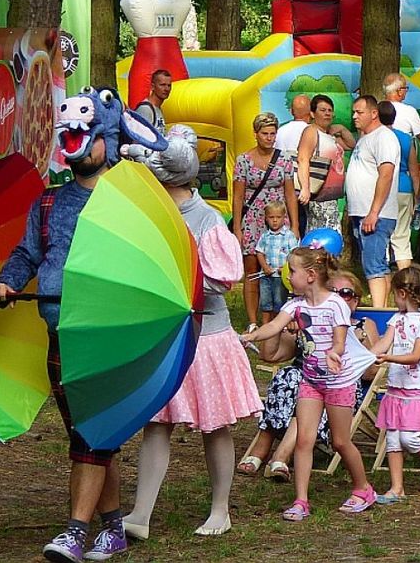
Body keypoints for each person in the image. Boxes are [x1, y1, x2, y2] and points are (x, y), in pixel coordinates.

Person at [0, 89, 167, 563]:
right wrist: (6, 282)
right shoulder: (47, 204)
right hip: (59, 333)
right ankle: (111, 527)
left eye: (87, 134)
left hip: (110, 338)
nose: (79, 143)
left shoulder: (129, 200)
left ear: (107, 136)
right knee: (89, 434)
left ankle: (74, 531)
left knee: (91, 433)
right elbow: (28, 253)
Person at [124, 129, 262, 541]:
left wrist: (176, 281)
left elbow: (223, 280)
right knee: (156, 422)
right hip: (165, 337)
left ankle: (221, 508)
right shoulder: (151, 215)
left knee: (215, 424)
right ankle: (140, 513)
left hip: (206, 338)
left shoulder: (206, 219)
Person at [241, 248, 377, 521]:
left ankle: (363, 488)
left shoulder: (336, 304)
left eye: (292, 271)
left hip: (339, 381)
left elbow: (339, 339)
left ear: (311, 275)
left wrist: (335, 353)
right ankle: (301, 500)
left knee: (340, 441)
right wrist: (247, 337)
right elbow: (274, 327)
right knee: (304, 439)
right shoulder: (295, 306)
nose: (288, 276)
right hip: (311, 381)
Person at [370, 265, 420, 503]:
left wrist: (388, 357)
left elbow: (415, 356)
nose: (394, 298)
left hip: (417, 388)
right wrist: (363, 358)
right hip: (396, 387)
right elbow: (383, 344)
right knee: (393, 438)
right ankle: (397, 488)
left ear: (402, 293)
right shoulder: (397, 319)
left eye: (394, 293)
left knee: (409, 438)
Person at [232, 112, 298, 329]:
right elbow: (238, 196)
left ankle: (279, 317)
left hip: (279, 217)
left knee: (281, 269)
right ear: (256, 134)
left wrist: (295, 225)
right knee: (252, 270)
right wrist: (237, 228)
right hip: (252, 219)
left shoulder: (284, 159)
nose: (269, 138)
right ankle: (252, 320)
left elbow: (290, 193)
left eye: (273, 134)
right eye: (265, 134)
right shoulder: (243, 160)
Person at [346, 95, 400, 308]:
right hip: (363, 212)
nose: (354, 116)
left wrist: (374, 212)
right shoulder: (365, 138)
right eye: (353, 112)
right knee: (378, 264)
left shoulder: (383, 137)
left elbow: (385, 174)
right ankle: (384, 308)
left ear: (374, 113)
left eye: (359, 112)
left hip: (376, 214)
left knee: (373, 266)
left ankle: (379, 312)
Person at [296, 93, 354, 232]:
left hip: (331, 197)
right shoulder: (311, 131)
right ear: (312, 113)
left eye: (329, 110)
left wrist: (341, 128)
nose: (327, 114)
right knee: (322, 237)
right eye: (322, 110)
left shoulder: (329, 135)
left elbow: (351, 144)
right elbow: (303, 159)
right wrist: (305, 188)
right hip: (318, 196)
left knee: (330, 234)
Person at [377, 100, 420, 271]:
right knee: (402, 236)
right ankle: (406, 279)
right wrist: (416, 196)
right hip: (404, 189)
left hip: (382, 190)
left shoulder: (375, 137)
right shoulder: (406, 139)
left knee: (381, 235)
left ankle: (381, 276)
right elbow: (415, 171)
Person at [255, 202, 299, 324]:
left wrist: (286, 268)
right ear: (266, 218)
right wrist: (264, 267)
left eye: (278, 217)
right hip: (266, 276)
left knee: (279, 303)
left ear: (284, 217)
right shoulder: (265, 236)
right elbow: (259, 252)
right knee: (265, 303)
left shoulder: (289, 236)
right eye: (271, 217)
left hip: (280, 277)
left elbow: (293, 254)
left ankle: (277, 325)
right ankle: (265, 326)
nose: (275, 221)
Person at [382, 72, 420, 139]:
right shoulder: (409, 111)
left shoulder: (374, 109)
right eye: (405, 88)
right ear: (399, 91)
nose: (406, 91)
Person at [133, 69, 172, 135]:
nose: (166, 89)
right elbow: (139, 138)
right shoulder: (145, 109)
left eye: (169, 85)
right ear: (152, 86)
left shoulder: (158, 108)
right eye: (162, 85)